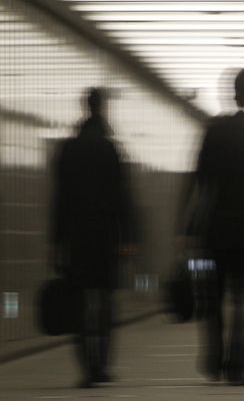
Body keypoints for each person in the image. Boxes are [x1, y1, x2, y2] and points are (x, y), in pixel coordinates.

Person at [188, 68, 244, 386]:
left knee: (213, 298)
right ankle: (238, 365)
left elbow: (199, 180)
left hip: (218, 228)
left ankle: (215, 356)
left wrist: (188, 227)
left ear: (231, 91)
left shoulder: (214, 130)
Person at [51, 87, 134, 388]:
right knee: (105, 302)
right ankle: (101, 364)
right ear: (103, 109)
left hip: (76, 238)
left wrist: (56, 242)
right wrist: (128, 238)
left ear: (85, 107)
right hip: (106, 238)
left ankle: (87, 368)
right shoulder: (110, 150)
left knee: (80, 302)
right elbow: (122, 198)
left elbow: (59, 200)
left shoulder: (68, 150)